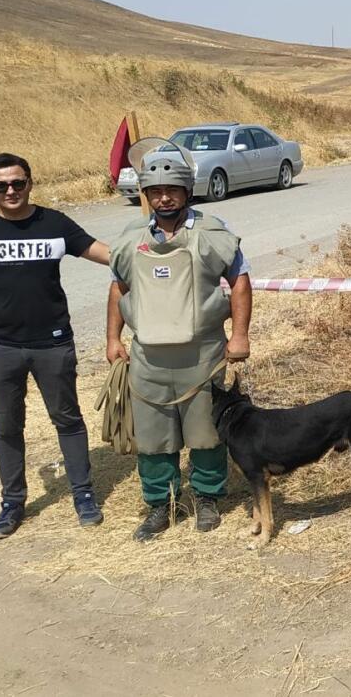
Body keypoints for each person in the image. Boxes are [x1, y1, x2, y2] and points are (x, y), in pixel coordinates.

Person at [0, 153, 111, 539]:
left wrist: (148, 256)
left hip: (53, 343)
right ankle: (12, 504)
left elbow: (105, 254)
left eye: (18, 183)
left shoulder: (54, 223)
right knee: (7, 426)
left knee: (67, 419)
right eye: (1, 185)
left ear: (30, 182)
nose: (11, 191)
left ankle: (83, 495)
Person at [105, 150, 252, 541]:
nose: (164, 198)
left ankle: (207, 498)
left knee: (206, 432)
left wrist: (239, 335)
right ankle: (160, 504)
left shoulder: (213, 233)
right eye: (156, 191)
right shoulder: (130, 240)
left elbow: (239, 282)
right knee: (153, 438)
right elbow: (119, 287)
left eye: (172, 190)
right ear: (146, 195)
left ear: (187, 190)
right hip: (148, 357)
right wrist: (112, 339)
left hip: (202, 353)